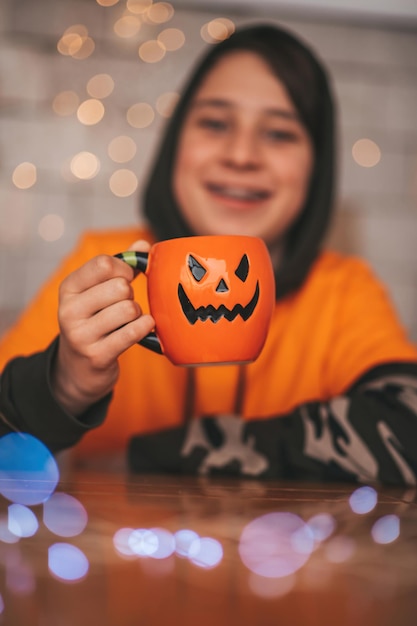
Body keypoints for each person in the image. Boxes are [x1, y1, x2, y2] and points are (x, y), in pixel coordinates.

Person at [1, 23, 416, 484]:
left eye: (279, 134)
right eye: (215, 123)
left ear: (315, 167)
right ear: (177, 142)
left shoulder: (342, 291)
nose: (241, 154)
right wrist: (66, 384)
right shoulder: (107, 272)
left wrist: (156, 458)